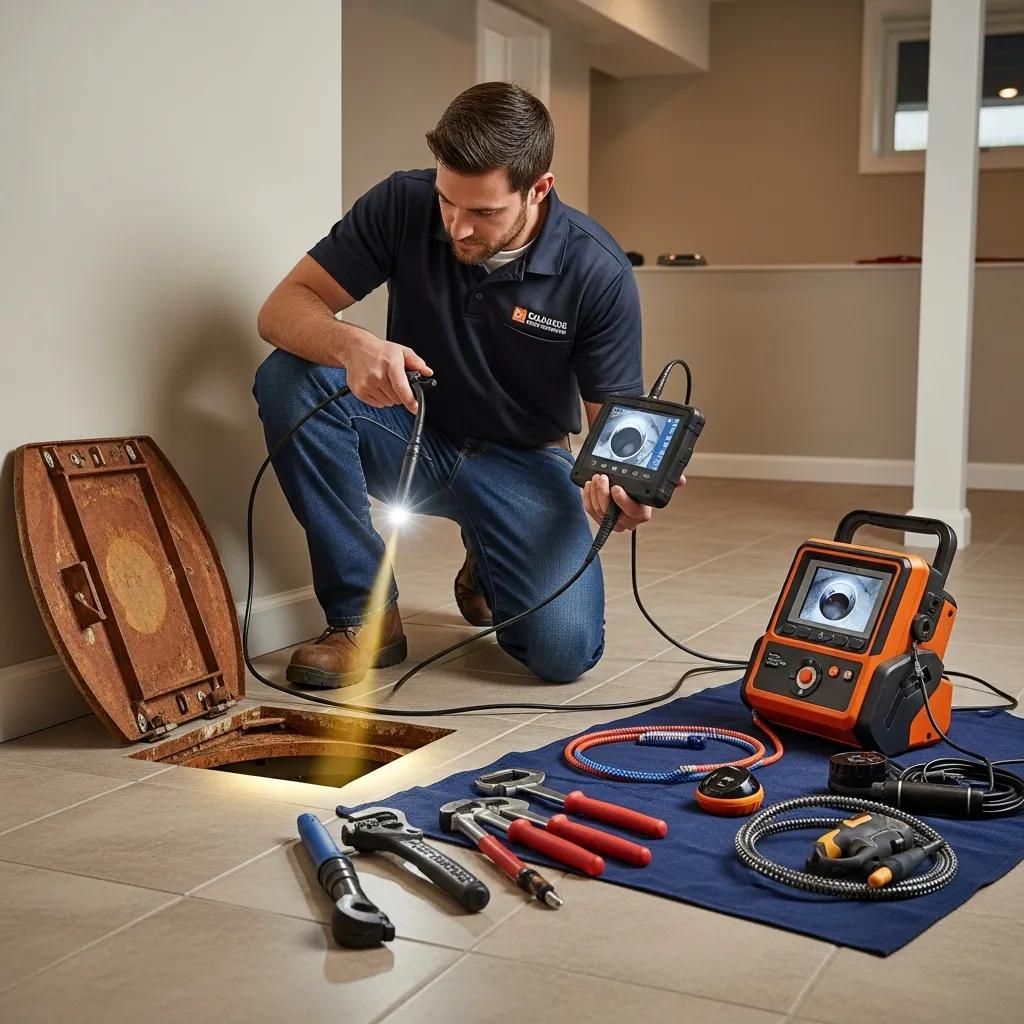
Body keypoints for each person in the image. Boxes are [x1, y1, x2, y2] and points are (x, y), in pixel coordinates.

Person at [254, 81, 676, 690]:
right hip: (410, 430)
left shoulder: (596, 269)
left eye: (484, 213)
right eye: (448, 202)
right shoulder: (402, 202)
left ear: (539, 189)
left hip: (524, 463)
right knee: (289, 377)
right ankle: (363, 616)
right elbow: (282, 308)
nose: (457, 227)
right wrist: (354, 345)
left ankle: (490, 555)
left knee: (564, 654)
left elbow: (615, 423)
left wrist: (624, 486)